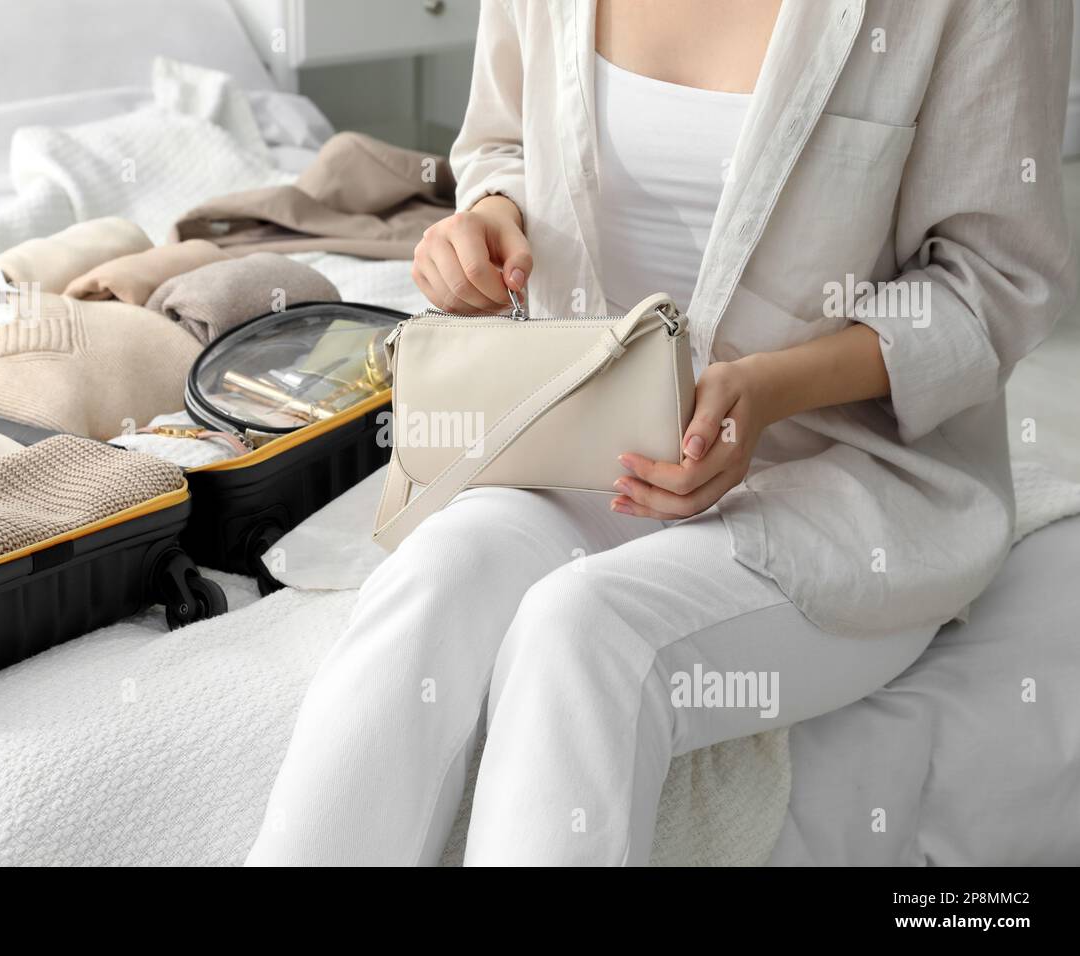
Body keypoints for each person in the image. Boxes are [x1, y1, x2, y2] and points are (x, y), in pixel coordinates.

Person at [249, 0, 1076, 865]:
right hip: (587, 444)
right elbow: (501, 142)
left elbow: (995, 282)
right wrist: (488, 215)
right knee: (436, 577)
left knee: (584, 630)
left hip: (843, 476)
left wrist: (768, 391)